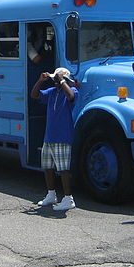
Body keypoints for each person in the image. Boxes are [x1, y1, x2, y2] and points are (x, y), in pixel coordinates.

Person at [32, 67, 78, 212]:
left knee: (63, 169)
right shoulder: (52, 92)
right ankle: (51, 194)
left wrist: (63, 81)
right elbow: (34, 95)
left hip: (63, 136)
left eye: (57, 79)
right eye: (55, 79)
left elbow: (71, 96)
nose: (55, 82)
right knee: (48, 166)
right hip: (49, 136)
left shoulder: (71, 90)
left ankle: (68, 198)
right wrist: (40, 81)